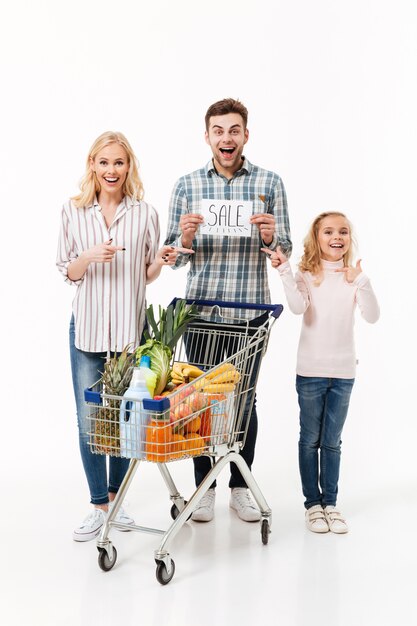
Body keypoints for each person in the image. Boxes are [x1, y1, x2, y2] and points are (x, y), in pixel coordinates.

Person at [56, 131, 192, 542]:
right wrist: (89, 256)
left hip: (130, 334)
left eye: (119, 163)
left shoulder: (145, 213)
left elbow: (147, 274)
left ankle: (117, 501)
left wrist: (162, 261)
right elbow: (68, 271)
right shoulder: (73, 211)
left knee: (123, 422)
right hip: (89, 330)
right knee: (89, 422)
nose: (112, 170)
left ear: (128, 166)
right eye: (104, 162)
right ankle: (98, 505)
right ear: (92, 166)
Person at [165, 98, 292, 522]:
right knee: (198, 403)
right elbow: (173, 257)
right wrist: (183, 238)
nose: (226, 138)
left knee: (243, 403)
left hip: (250, 314)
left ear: (245, 135)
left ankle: (240, 485)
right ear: (207, 136)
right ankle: (204, 487)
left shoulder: (269, 182)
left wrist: (274, 239)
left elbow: (284, 250)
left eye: (234, 130)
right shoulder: (187, 185)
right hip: (200, 311)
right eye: (218, 131)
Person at [262, 211, 379, 533]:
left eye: (342, 231)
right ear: (317, 238)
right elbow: (298, 308)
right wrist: (285, 271)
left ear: (349, 239)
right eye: (328, 232)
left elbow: (372, 316)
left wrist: (362, 281)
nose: (336, 237)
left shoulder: (353, 276)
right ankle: (312, 505)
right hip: (311, 371)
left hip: (343, 372)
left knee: (332, 442)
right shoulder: (305, 275)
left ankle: (331, 503)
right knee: (309, 440)